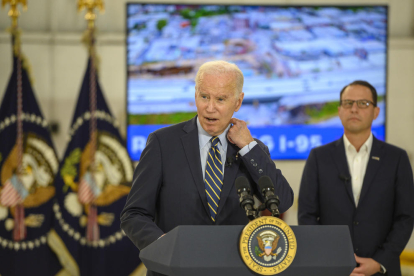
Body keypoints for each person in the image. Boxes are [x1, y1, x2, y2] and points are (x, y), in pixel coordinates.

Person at [121, 60, 293, 276]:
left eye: (220, 99)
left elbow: (283, 200)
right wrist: (162, 244)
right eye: (204, 97)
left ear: (238, 102)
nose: (210, 108)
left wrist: (248, 147)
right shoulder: (162, 143)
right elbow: (134, 214)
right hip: (174, 270)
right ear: (195, 95)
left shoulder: (252, 150)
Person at [298, 80, 414, 276]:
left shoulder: (396, 158)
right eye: (348, 103)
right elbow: (306, 216)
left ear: (376, 112)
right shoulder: (319, 157)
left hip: (382, 270)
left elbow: (405, 217)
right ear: (339, 110)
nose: (354, 109)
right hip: (332, 269)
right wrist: (334, 259)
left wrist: (380, 262)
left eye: (363, 104)